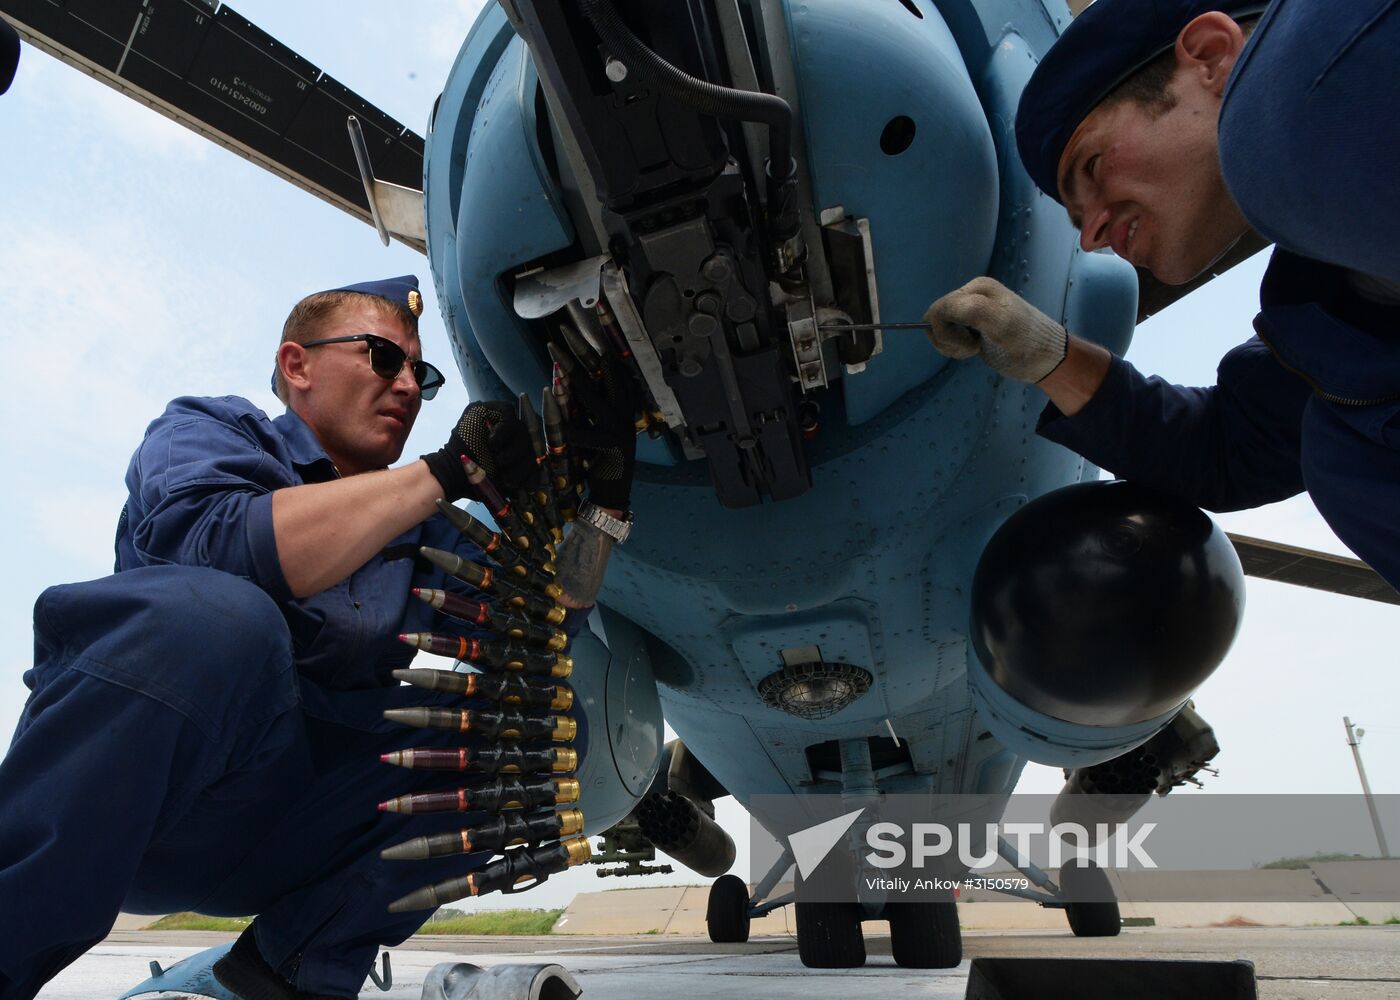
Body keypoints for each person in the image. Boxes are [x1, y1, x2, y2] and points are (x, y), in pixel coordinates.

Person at [0, 276, 637, 999]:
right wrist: (444, 473)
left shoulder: (422, 531)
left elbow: (538, 631)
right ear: (297, 365)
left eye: (421, 375)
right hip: (140, 815)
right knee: (221, 620)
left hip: (295, 828)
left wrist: (607, 505)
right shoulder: (207, 430)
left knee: (532, 728)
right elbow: (221, 550)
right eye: (383, 358)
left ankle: (279, 975)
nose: (407, 386)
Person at [922, 0, 1400, 589]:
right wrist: (1047, 353)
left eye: (1093, 165)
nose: (1093, 234)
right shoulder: (1339, 317)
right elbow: (1226, 449)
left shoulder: (1312, 75)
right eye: (1078, 218)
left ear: (1210, 57)